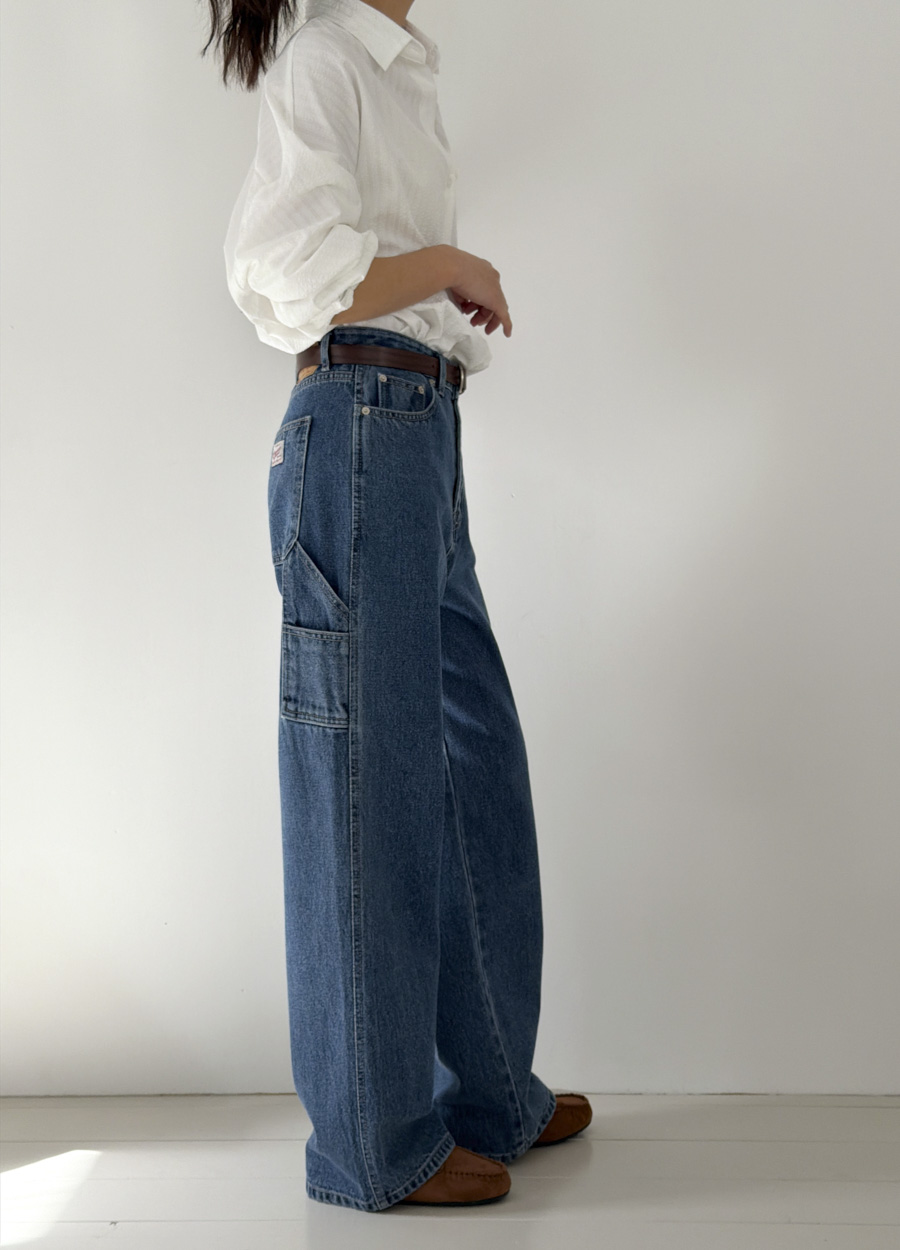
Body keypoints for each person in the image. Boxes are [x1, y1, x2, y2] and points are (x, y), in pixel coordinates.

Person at [205, 0, 591, 1213]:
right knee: (366, 783)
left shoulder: (394, 68)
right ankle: (375, 1140)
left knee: (474, 762)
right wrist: (450, 266)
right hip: (362, 422)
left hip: (416, 431)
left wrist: (434, 283)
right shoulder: (327, 59)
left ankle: (490, 1091)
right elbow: (285, 262)